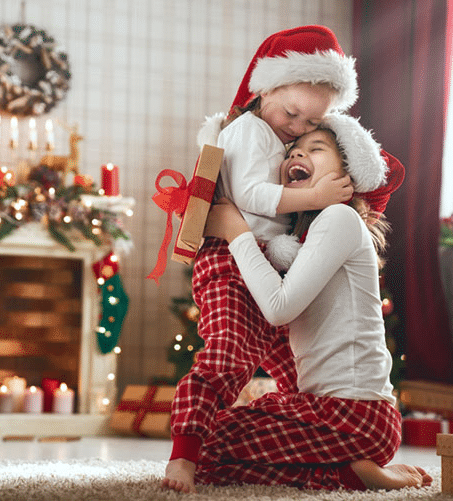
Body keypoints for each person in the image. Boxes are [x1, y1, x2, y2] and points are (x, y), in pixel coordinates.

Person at [163, 25, 363, 492]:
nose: (297, 127)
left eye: (312, 123)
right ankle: (185, 455)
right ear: (266, 87)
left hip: (270, 266)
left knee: (302, 367)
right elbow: (251, 195)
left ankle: (315, 452)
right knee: (228, 356)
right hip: (231, 264)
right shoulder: (249, 130)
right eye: (292, 112)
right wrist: (314, 193)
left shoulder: (279, 137)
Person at [193, 113, 433, 491]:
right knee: (210, 445)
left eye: (314, 149)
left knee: (206, 444)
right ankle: (347, 471)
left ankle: (347, 475)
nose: (294, 157)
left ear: (347, 175)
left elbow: (278, 308)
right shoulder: (310, 236)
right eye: (292, 152)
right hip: (337, 413)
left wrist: (236, 231)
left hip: (355, 415)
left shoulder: (339, 218)